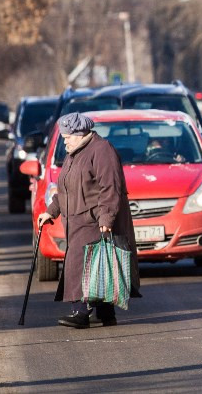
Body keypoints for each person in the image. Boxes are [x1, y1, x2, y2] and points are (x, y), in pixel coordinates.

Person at [37, 112, 140, 328]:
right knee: (97, 265)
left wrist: (106, 217)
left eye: (68, 136)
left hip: (92, 219)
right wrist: (51, 211)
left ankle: (81, 312)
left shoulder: (102, 150)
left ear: (80, 133)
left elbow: (111, 187)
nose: (64, 140)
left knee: (80, 264)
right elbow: (65, 190)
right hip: (74, 220)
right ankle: (105, 313)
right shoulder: (74, 153)